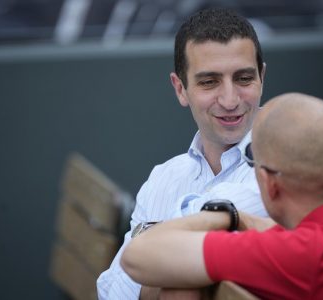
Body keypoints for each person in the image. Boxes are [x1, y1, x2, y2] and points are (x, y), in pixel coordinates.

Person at [121, 93, 323, 299]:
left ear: (269, 182)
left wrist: (224, 214)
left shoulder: (297, 256)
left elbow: (137, 256)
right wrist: (243, 218)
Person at [97, 8, 268, 299]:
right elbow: (110, 290)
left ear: (261, 77)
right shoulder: (164, 177)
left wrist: (151, 240)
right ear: (180, 89)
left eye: (243, 78)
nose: (230, 100)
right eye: (209, 82)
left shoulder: (281, 171)